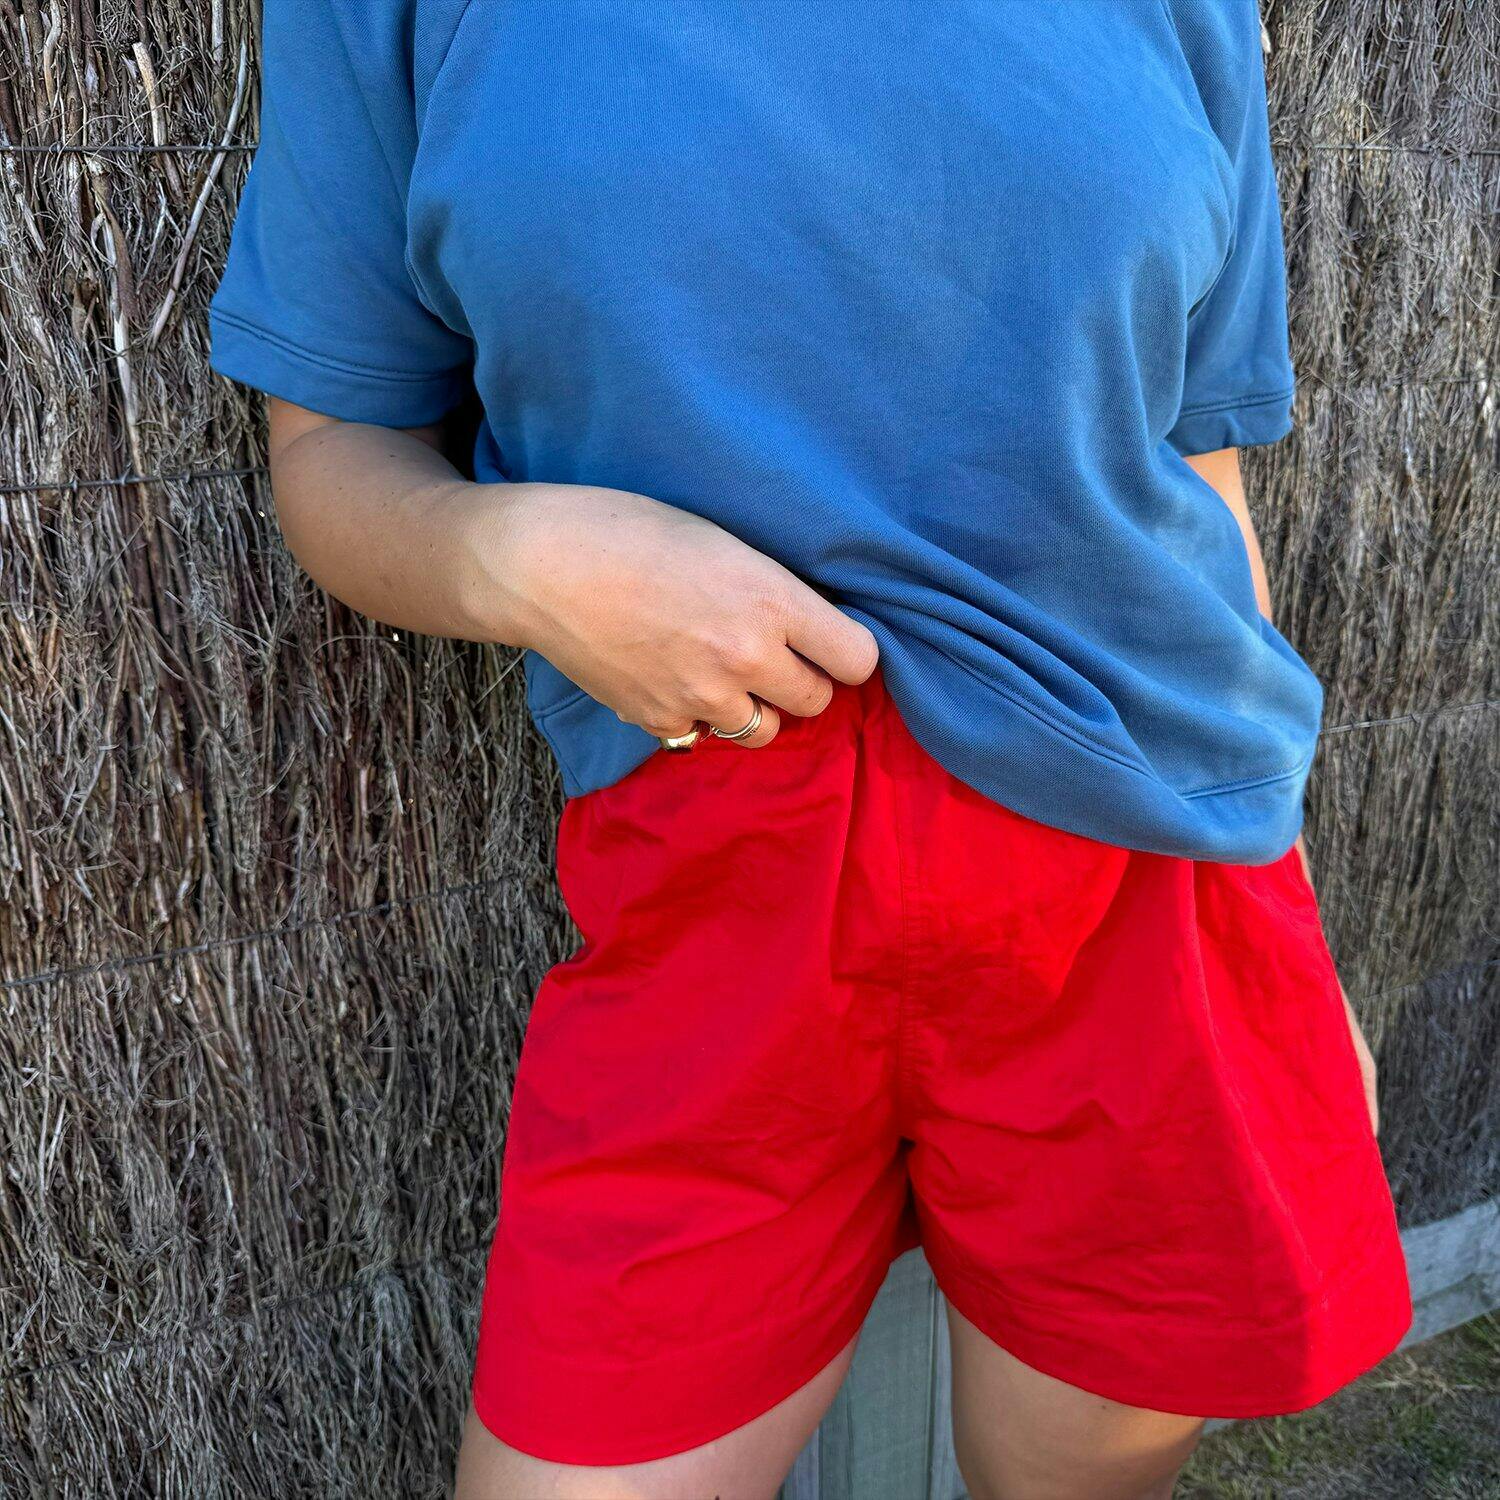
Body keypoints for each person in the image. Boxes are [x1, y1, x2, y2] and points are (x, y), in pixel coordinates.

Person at [208, 2, 1414, 1495]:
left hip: (1133, 902)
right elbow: (332, 446)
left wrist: (1279, 884)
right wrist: (516, 559)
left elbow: (1193, 466)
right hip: (707, 901)